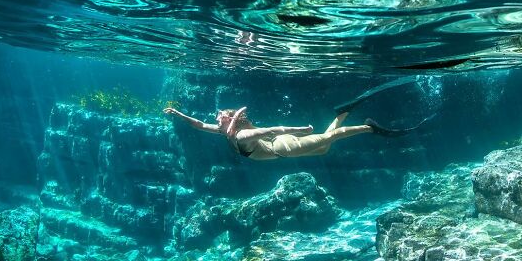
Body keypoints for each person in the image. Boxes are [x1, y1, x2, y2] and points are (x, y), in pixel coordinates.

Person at [163, 104, 423, 160]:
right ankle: (342, 112)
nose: (215, 118)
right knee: (323, 148)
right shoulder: (226, 131)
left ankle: (371, 128)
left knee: (327, 138)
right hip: (280, 145)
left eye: (220, 115)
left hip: (281, 147)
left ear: (230, 120)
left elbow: (273, 129)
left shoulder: (240, 135)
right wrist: (178, 114)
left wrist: (300, 129)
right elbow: (197, 124)